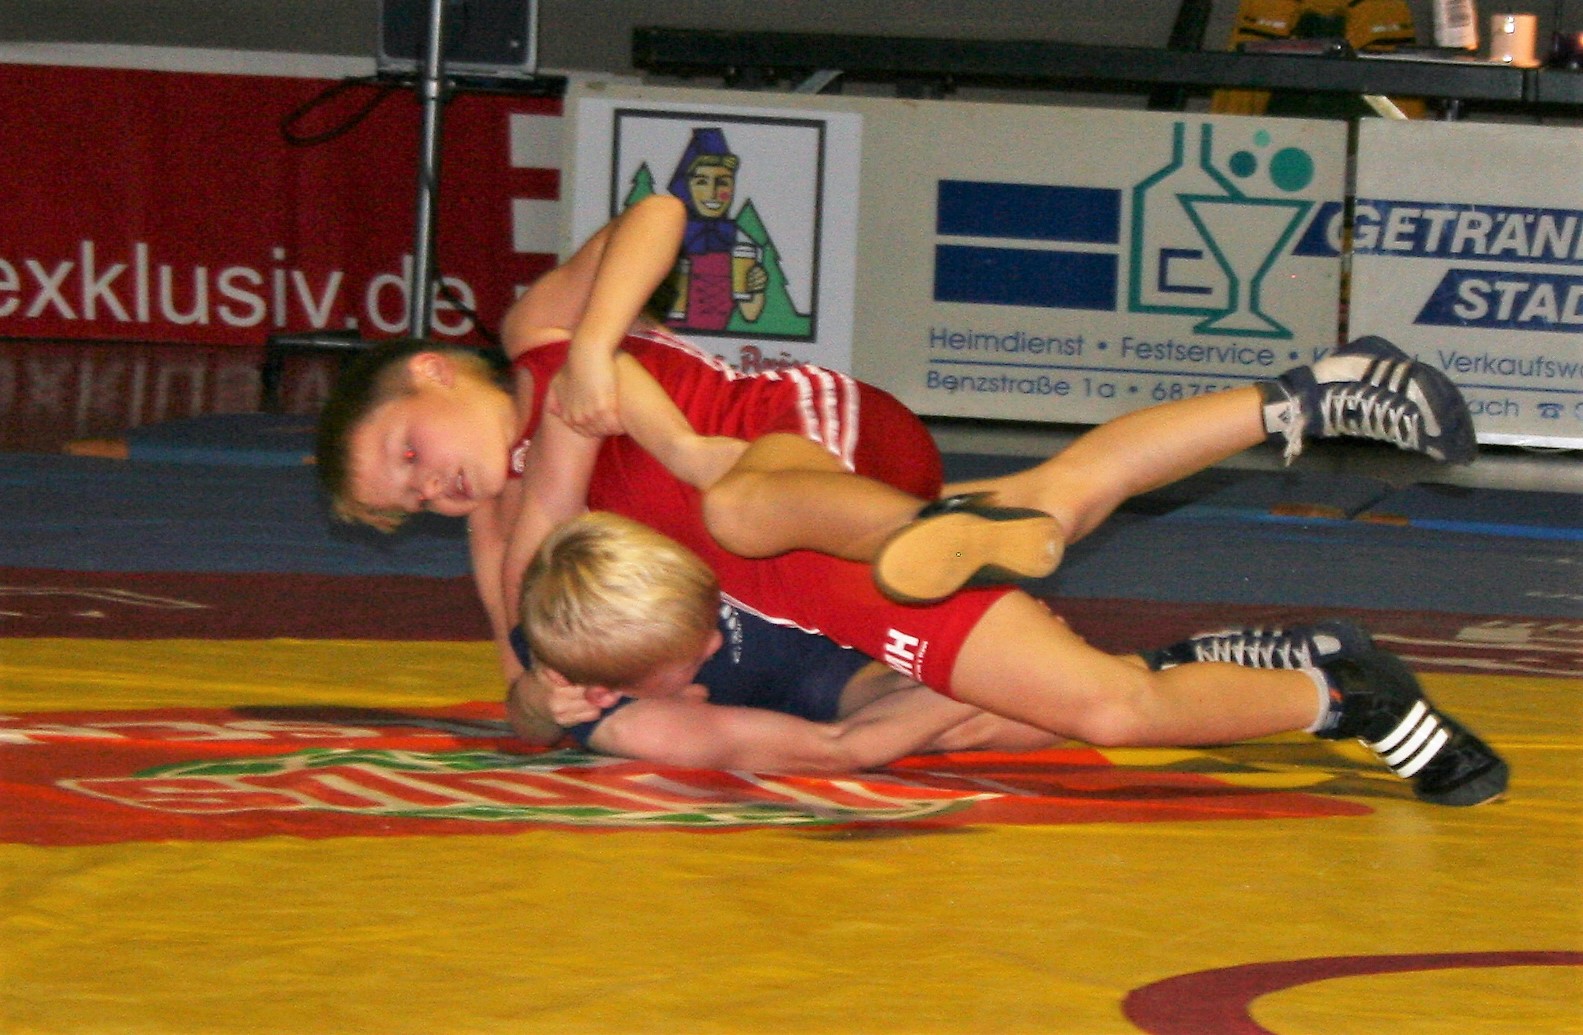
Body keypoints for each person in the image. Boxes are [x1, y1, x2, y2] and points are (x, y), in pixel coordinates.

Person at [315, 195, 1505, 807]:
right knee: (1087, 683)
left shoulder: (537, 334)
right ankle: (1319, 573)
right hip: (811, 577)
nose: (432, 488)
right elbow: (525, 684)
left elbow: (661, 216)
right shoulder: (504, 521)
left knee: (734, 505)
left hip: (797, 445)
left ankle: (967, 533)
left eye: (409, 454)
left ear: (431, 370)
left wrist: (593, 353)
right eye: (408, 500)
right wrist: (539, 693)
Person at [510, 510, 1059, 772]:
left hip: (841, 608)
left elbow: (526, 711)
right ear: (611, 689)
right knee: (1026, 719)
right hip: (833, 688)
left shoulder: (625, 594)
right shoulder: (640, 725)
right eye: (694, 653)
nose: (713, 640)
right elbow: (841, 747)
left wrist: (534, 701)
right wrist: (984, 675)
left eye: (709, 615)